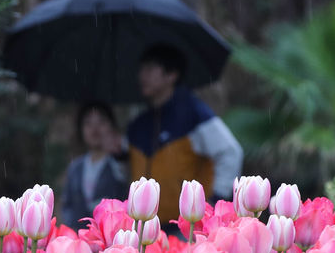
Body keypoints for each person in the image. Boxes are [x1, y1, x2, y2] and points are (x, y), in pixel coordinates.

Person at [127, 43, 243, 227]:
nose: (142, 76)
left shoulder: (193, 113)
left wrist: (216, 199)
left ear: (171, 75)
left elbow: (230, 152)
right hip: (146, 225)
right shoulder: (139, 123)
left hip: (184, 226)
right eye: (141, 69)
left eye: (150, 69)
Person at [61, 101, 128, 231]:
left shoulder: (120, 161)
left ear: (112, 126)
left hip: (112, 235)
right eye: (88, 123)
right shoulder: (75, 167)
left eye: (101, 122)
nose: (95, 128)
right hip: (79, 236)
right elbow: (67, 204)